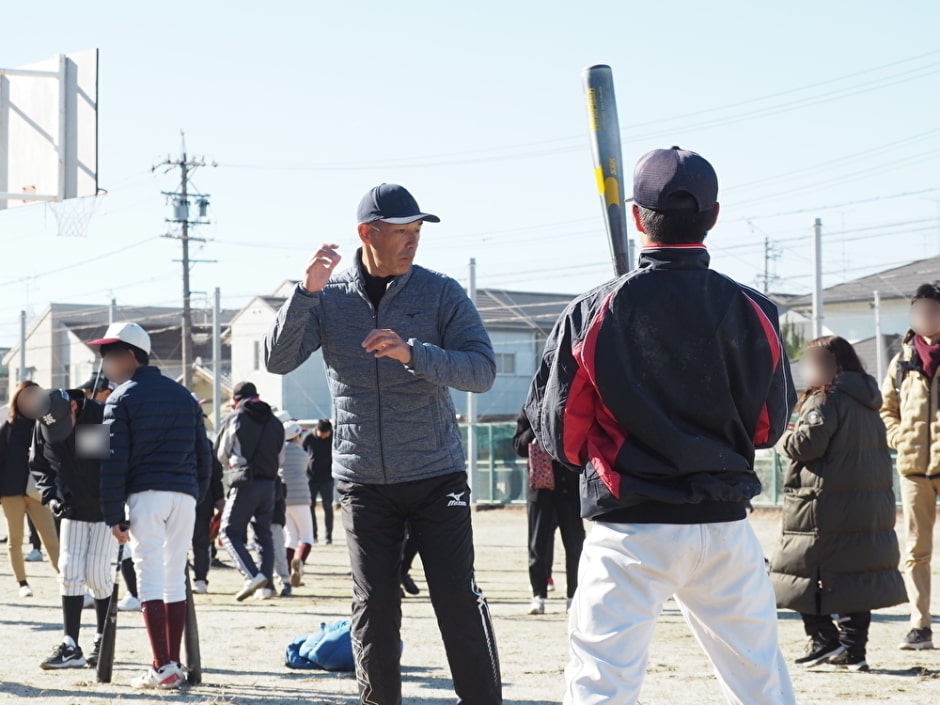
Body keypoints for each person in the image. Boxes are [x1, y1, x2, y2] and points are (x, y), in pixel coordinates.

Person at [526, 147, 797, 705]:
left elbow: (562, 437)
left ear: (635, 217)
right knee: (761, 687)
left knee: (602, 685)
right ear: (714, 216)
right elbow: (770, 426)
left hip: (630, 524)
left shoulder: (592, 310)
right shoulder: (755, 308)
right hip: (724, 523)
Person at [265, 183, 501, 705]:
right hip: (363, 480)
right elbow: (278, 360)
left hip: (437, 474)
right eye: (402, 232)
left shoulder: (440, 292)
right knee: (374, 608)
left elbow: (482, 371)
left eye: (418, 232)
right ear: (367, 234)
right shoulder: (327, 298)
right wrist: (304, 293)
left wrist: (414, 354)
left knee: (456, 601)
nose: (413, 242)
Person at [771, 337, 906, 671]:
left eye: (809, 362)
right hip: (866, 505)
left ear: (828, 365)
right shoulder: (867, 400)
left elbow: (806, 446)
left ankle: (823, 639)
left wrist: (780, 437)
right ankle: (853, 650)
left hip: (822, 504)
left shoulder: (825, 400)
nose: (804, 370)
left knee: (796, 572)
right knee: (853, 578)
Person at [93, 321, 211, 689]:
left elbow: (111, 460)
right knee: (176, 576)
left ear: (130, 356)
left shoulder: (120, 398)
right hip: (185, 495)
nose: (105, 364)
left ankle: (162, 666)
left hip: (146, 494)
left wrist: (113, 514)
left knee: (150, 577)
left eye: (110, 356)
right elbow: (204, 454)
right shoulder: (183, 396)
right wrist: (196, 493)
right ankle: (170, 664)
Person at [29, 387, 117, 669]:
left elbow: (100, 470)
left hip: (104, 508)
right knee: (68, 572)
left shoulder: (97, 416)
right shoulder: (44, 421)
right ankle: (70, 645)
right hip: (69, 507)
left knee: (97, 574)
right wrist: (51, 497)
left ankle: (103, 639)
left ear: (74, 409)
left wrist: (117, 507)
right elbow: (40, 465)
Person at [881, 281, 940, 651]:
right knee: (916, 551)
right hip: (914, 467)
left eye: (932, 310)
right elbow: (886, 409)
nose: (924, 317)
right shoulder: (902, 358)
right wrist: (899, 438)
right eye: (918, 310)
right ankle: (920, 625)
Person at [217, 381, 285, 602]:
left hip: (245, 481)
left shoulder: (235, 417)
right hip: (270, 483)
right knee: (263, 534)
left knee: (228, 531)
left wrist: (232, 463)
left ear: (236, 400)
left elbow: (221, 452)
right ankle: (267, 585)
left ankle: (251, 575)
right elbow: (280, 456)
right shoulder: (276, 421)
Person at [512, 409, 584, 616]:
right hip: (540, 491)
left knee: (575, 544)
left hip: (569, 490)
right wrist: (536, 426)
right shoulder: (530, 409)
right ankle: (538, 596)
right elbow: (518, 446)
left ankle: (574, 596)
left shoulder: (571, 405)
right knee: (537, 546)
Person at [0, 381, 60, 598]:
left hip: (37, 489)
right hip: (10, 491)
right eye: (25, 397)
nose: (29, 401)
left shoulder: (45, 423)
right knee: (15, 539)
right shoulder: (7, 427)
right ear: (17, 399)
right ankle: (22, 583)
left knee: (51, 539)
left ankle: (65, 578)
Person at [280, 420, 314, 587]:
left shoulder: (278, 453)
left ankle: (286, 573)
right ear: (296, 437)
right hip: (301, 498)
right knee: (307, 537)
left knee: (290, 537)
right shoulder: (303, 455)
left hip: (284, 499)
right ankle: (299, 563)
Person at [304, 419, 334, 545]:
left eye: (327, 433)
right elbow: (303, 452)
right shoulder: (309, 438)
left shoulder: (332, 437)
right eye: (323, 433)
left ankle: (328, 536)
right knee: (310, 507)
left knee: (328, 506)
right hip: (311, 478)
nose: (325, 436)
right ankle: (313, 535)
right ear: (318, 430)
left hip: (327, 478)